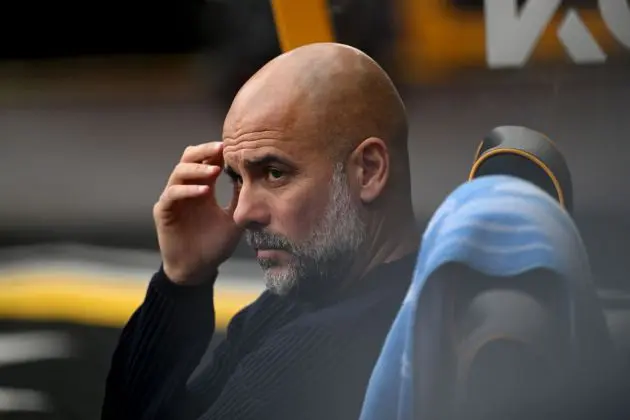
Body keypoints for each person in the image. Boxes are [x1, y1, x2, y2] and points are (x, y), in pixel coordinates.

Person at [101, 42, 420, 420]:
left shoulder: (312, 354)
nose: (242, 213)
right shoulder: (311, 298)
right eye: (237, 179)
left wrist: (179, 293)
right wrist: (183, 278)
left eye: (274, 173)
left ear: (368, 170)